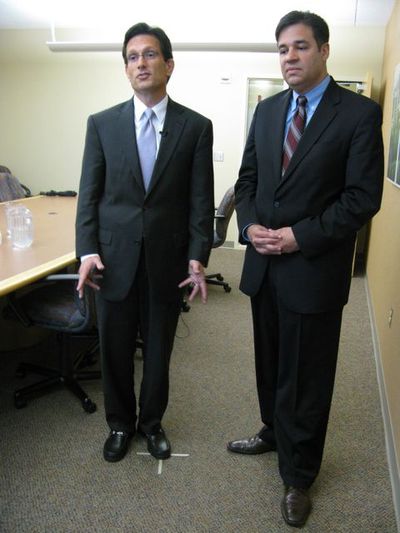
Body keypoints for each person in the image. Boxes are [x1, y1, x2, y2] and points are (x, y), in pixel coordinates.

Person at [228, 10, 383, 528]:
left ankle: (299, 476)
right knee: (270, 363)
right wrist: (249, 229)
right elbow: (247, 181)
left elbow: (363, 198)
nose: (289, 57)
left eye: (299, 47)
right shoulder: (268, 110)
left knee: (308, 376)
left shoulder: (358, 115)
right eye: (281, 49)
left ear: (323, 50)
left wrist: (301, 235)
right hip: (263, 266)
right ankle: (273, 431)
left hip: (313, 269)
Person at [75, 22, 214, 463]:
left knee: (158, 352)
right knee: (115, 351)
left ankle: (151, 423)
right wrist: (88, 250)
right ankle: (120, 424)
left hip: (167, 261)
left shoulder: (195, 127)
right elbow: (89, 195)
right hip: (112, 262)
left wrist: (197, 257)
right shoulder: (102, 125)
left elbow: (200, 199)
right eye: (132, 57)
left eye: (150, 54)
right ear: (126, 68)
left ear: (169, 65)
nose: (141, 63)